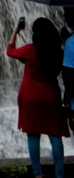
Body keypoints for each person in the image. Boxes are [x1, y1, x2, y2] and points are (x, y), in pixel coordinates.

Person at [8, 17, 69, 178]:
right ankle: (60, 174)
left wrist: (16, 31)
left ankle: (37, 174)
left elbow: (10, 51)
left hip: (30, 97)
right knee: (55, 135)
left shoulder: (30, 50)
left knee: (32, 134)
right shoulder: (59, 52)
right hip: (50, 97)